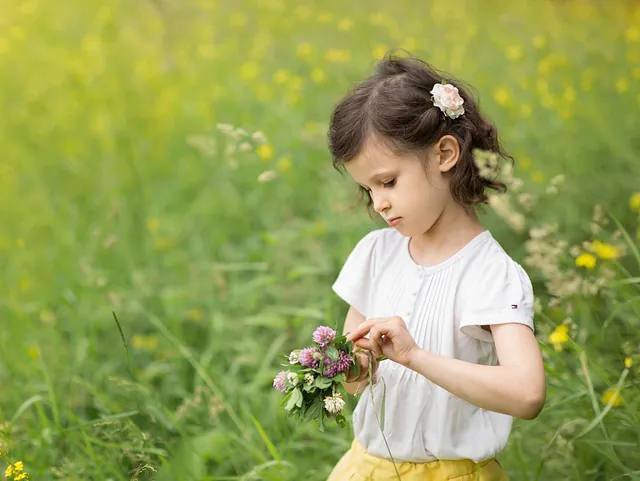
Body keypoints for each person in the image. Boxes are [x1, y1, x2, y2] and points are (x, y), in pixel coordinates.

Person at [326, 52, 546, 480]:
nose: (379, 202)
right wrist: (349, 364)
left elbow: (527, 394)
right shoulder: (376, 253)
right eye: (367, 188)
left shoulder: (490, 273)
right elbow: (354, 382)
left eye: (388, 181)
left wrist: (414, 356)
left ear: (445, 153)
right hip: (368, 468)